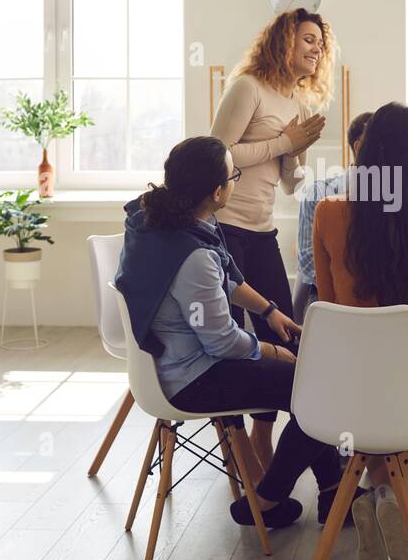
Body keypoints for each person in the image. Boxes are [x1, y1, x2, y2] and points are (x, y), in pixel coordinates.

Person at [114, 136, 342, 529]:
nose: (236, 181)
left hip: (170, 363)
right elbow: (220, 340)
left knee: (311, 383)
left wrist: (269, 312)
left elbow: (229, 278)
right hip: (194, 378)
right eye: (234, 175)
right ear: (218, 191)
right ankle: (271, 499)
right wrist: (272, 352)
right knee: (318, 390)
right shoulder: (193, 255)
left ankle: (335, 492)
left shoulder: (158, 221)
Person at [312, 102, 408, 560]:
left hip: (347, 396)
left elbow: (329, 312)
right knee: (390, 399)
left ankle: (377, 493)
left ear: (365, 149)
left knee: (367, 388)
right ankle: (389, 494)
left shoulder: (329, 214)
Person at [209, 8, 334, 470]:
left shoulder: (294, 101)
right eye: (307, 39)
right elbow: (216, 154)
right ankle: (244, 446)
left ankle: (265, 435)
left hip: (261, 230)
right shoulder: (248, 87)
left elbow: (289, 183)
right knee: (233, 340)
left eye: (320, 42)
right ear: (283, 41)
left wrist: (295, 153)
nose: (316, 48)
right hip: (224, 230)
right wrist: (284, 143)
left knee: (284, 334)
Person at [292, 110, 374, 322]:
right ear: (359, 147)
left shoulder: (396, 197)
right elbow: (308, 261)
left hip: (379, 296)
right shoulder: (316, 194)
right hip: (326, 295)